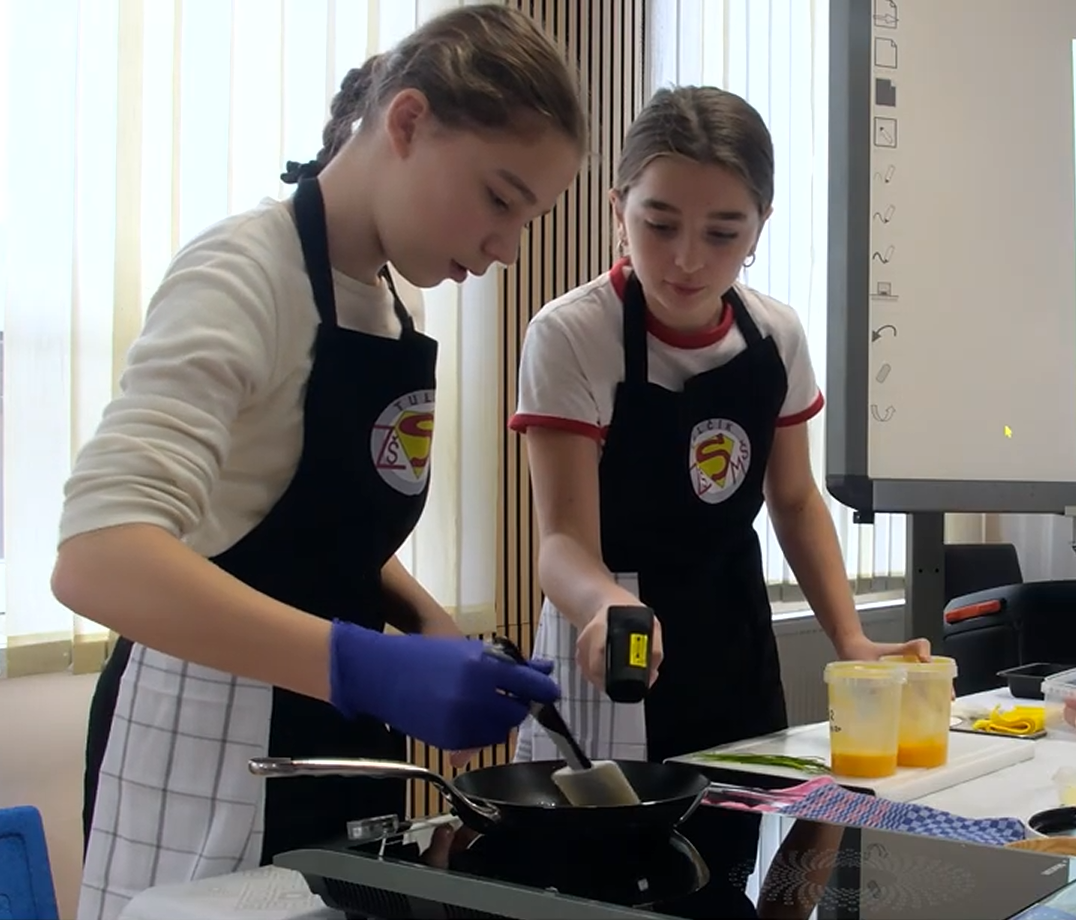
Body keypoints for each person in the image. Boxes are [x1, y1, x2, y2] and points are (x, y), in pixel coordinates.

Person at [52, 8, 587, 919]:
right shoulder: (242, 273)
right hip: (211, 741)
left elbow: (304, 523)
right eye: (499, 201)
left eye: (526, 220)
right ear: (407, 122)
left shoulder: (388, 302)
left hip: (339, 743)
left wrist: (424, 626)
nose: (504, 250)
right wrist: (363, 665)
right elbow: (98, 557)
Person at [508, 85, 931, 770]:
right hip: (615, 644)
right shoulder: (571, 334)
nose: (687, 259)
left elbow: (794, 500)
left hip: (733, 641)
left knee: (745, 822)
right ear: (618, 211)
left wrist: (850, 639)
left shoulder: (775, 334)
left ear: (760, 225)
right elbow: (562, 542)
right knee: (607, 827)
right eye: (660, 225)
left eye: (722, 233)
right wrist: (605, 604)